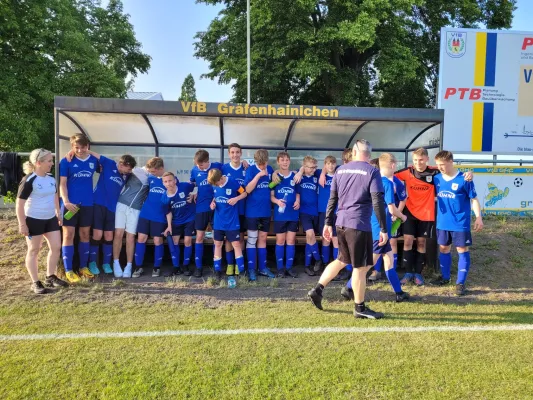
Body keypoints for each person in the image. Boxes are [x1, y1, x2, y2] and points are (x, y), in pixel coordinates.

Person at [308, 139, 388, 319]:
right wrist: (383, 228)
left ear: (354, 152)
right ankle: (359, 308)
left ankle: (317, 290)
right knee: (360, 267)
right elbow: (377, 201)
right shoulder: (372, 171)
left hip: (341, 223)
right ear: (369, 154)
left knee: (342, 260)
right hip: (358, 225)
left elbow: (332, 199)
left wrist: (328, 223)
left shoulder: (340, 170)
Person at [395, 148, 473, 286]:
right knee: (407, 241)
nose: (418, 163)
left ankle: (418, 273)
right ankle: (408, 273)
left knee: (421, 243)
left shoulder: (435, 172)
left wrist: (469, 173)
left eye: (421, 160)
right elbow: (389, 176)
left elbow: (451, 172)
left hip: (426, 214)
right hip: (409, 214)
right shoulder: (407, 172)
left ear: (426, 159)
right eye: (415, 160)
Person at [341, 154, 409, 302]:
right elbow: (392, 209)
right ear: (392, 166)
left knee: (389, 261)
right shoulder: (387, 183)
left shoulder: (373, 180)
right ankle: (348, 287)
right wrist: (402, 217)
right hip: (380, 230)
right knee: (366, 265)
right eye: (395, 165)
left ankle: (399, 293)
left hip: (377, 227)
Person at [64, 150, 135, 276]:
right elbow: (91, 153)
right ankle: (92, 263)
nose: (129, 172)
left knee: (108, 236)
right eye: (128, 169)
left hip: (112, 208)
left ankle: (106, 263)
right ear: (122, 164)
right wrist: (73, 151)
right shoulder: (109, 163)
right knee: (97, 234)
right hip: (98, 204)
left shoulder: (127, 176)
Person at [430, 151, 483, 295]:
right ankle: (445, 277)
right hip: (442, 222)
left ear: (451, 162)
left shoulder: (464, 179)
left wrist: (478, 217)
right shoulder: (437, 179)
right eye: (438, 164)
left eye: (442, 164)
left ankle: (460, 283)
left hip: (460, 223)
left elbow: (474, 199)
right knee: (444, 249)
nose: (439, 167)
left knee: (462, 250)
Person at [16, 149, 68, 293]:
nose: (52, 163)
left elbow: (54, 197)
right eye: (49, 161)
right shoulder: (29, 180)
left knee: (56, 247)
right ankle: (35, 282)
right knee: (34, 250)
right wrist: (22, 223)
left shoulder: (51, 179)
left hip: (50, 218)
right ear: (38, 163)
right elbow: (19, 204)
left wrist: (58, 213)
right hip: (33, 219)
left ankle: (50, 276)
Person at [59, 134, 100, 282]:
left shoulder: (93, 161)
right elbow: (62, 184)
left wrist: (90, 152)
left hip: (87, 204)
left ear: (87, 146)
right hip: (71, 205)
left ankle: (83, 267)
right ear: (72, 147)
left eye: (83, 147)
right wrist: (66, 201)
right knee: (68, 235)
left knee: (84, 234)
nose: (80, 150)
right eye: (77, 147)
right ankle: (69, 270)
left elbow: (107, 165)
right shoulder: (66, 161)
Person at [207, 168, 247, 280]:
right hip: (219, 221)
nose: (217, 185)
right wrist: (212, 204)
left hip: (232, 221)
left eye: (217, 183)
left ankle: (242, 271)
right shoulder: (214, 184)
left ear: (221, 178)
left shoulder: (232, 182)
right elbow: (215, 197)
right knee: (218, 245)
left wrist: (236, 199)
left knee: (236, 245)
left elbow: (244, 193)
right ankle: (217, 271)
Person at [189, 149, 223, 277]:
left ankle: (217, 268)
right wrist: (192, 193)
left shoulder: (218, 166)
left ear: (208, 161)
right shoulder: (194, 170)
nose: (199, 166)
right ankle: (198, 268)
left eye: (201, 164)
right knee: (199, 237)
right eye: (197, 164)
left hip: (216, 207)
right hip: (201, 208)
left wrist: (244, 163)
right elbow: (192, 183)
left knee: (217, 238)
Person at [113, 161, 150, 278]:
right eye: (151, 169)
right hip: (121, 205)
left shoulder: (154, 177)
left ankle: (129, 265)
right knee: (118, 234)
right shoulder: (136, 170)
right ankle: (116, 263)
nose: (152, 171)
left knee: (130, 236)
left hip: (136, 209)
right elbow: (118, 165)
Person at [244, 149, 276, 280]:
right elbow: (247, 189)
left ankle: (262, 268)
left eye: (265, 164)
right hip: (252, 211)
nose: (263, 166)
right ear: (256, 161)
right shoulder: (251, 170)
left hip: (265, 211)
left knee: (263, 238)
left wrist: (276, 181)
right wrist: (258, 175)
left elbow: (270, 187)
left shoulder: (270, 169)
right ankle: (252, 269)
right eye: (261, 164)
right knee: (252, 239)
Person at [133, 157, 167, 278]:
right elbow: (135, 170)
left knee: (158, 240)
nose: (151, 173)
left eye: (153, 171)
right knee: (141, 238)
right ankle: (138, 267)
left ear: (161, 168)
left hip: (159, 216)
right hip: (145, 213)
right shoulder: (150, 178)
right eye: (150, 171)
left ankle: (157, 268)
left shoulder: (169, 179)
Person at [271, 151, 301, 278]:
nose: (284, 162)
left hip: (292, 214)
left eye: (286, 160)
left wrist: (298, 200)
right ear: (278, 162)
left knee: (291, 241)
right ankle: (280, 269)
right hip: (280, 216)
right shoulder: (275, 177)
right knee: (280, 240)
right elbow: (271, 196)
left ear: (289, 161)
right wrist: (277, 201)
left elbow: (298, 192)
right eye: (282, 160)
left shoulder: (295, 176)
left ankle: (289, 268)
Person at [162, 172, 196, 276]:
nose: (169, 183)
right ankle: (176, 266)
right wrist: (169, 226)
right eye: (166, 182)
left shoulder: (184, 186)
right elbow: (168, 212)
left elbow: (197, 183)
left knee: (187, 240)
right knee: (174, 241)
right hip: (176, 221)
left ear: (175, 180)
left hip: (189, 218)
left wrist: (195, 194)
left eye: (170, 180)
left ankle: (185, 265)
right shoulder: (164, 198)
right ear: (163, 184)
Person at [221, 143, 248, 276]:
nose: (235, 155)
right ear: (228, 154)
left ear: (241, 153)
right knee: (228, 240)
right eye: (232, 152)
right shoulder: (223, 168)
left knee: (240, 239)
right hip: (227, 211)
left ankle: (239, 265)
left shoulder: (246, 168)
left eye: (237, 152)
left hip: (242, 209)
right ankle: (230, 264)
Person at [298, 156, 323, 276]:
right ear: (304, 166)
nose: (313, 169)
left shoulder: (316, 175)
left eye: (315, 167)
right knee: (310, 234)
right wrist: (301, 170)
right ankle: (318, 259)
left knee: (310, 239)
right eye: (311, 167)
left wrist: (319, 172)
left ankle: (307, 266)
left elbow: (327, 169)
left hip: (316, 212)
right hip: (304, 212)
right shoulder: (299, 176)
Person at [317, 156, 339, 268]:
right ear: (324, 165)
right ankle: (325, 264)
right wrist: (322, 173)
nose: (331, 166)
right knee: (325, 239)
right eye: (328, 164)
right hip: (323, 212)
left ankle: (336, 266)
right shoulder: (319, 174)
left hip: (336, 212)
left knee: (336, 240)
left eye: (333, 163)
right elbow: (303, 169)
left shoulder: (339, 174)